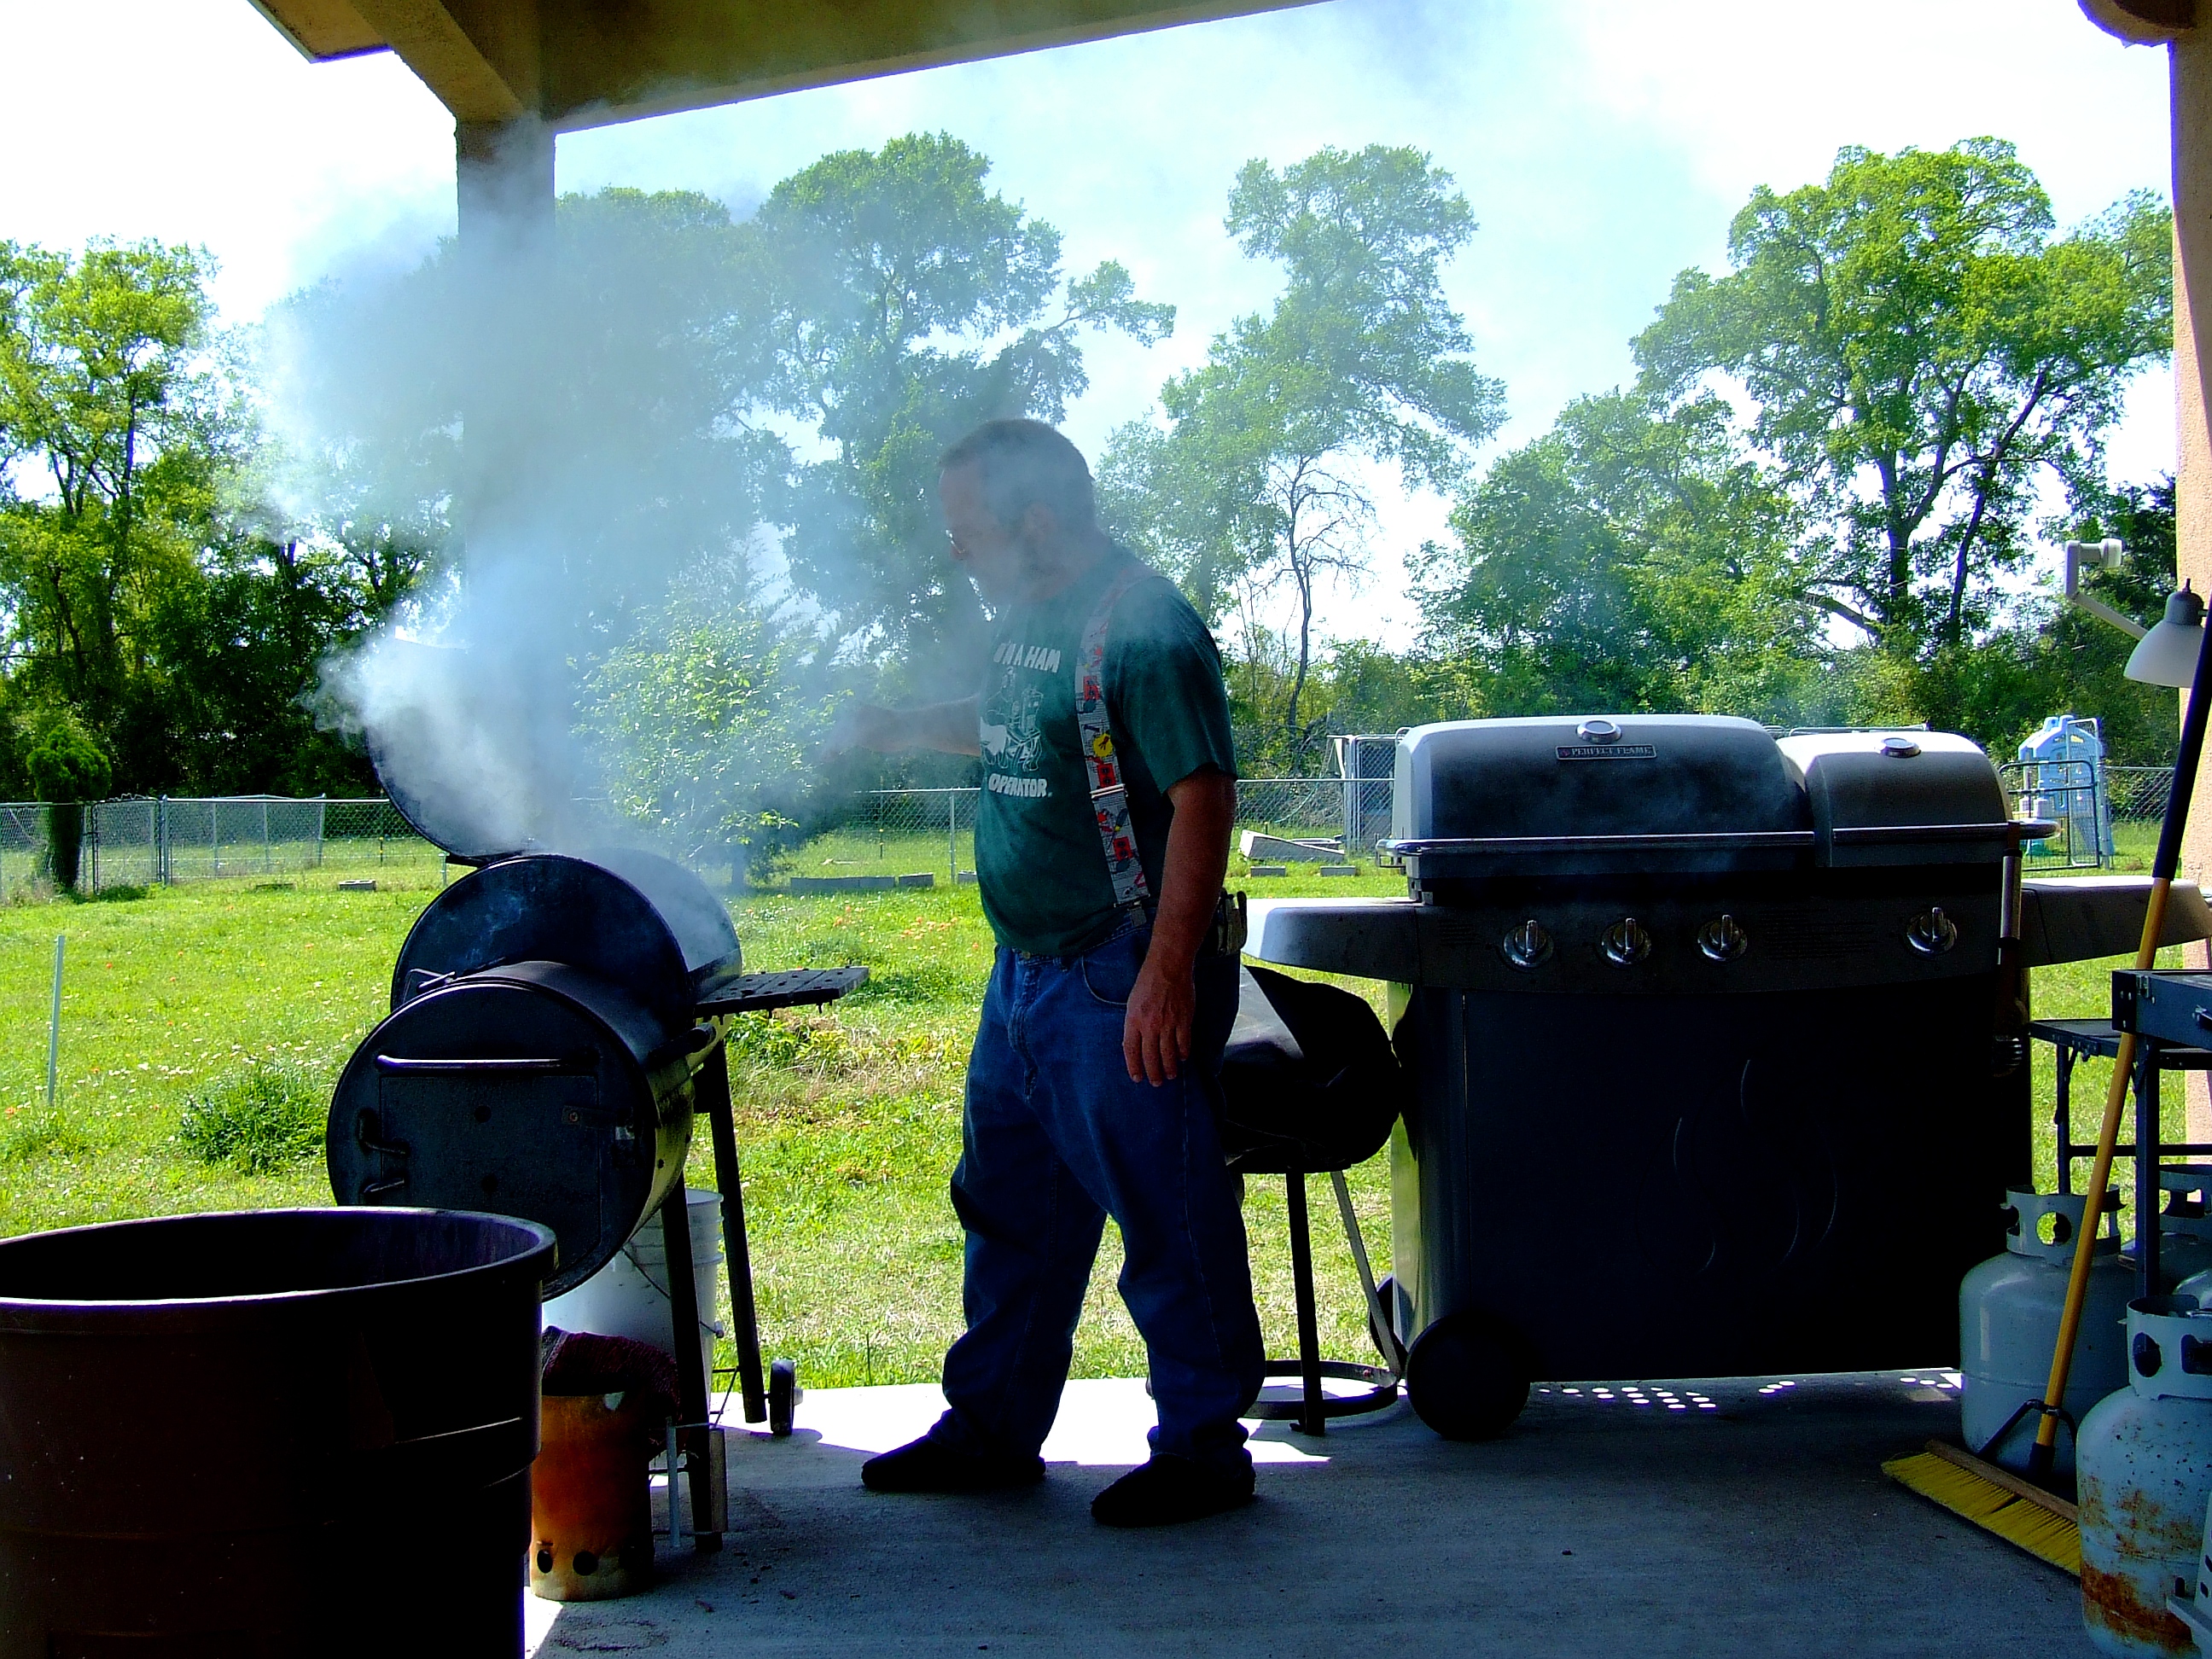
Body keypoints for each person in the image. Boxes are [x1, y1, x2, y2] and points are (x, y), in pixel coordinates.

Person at [823, 418, 1265, 1528]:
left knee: (1165, 1211)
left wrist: (1166, 977)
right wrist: (892, 728)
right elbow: (1006, 727)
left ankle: (1206, 1447)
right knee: (1012, 1210)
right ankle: (993, 1427)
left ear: (1035, 519)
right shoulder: (1029, 616)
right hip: (1023, 978)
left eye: (969, 528)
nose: (958, 551)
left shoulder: (1148, 628)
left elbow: (1204, 798)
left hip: (1117, 976)